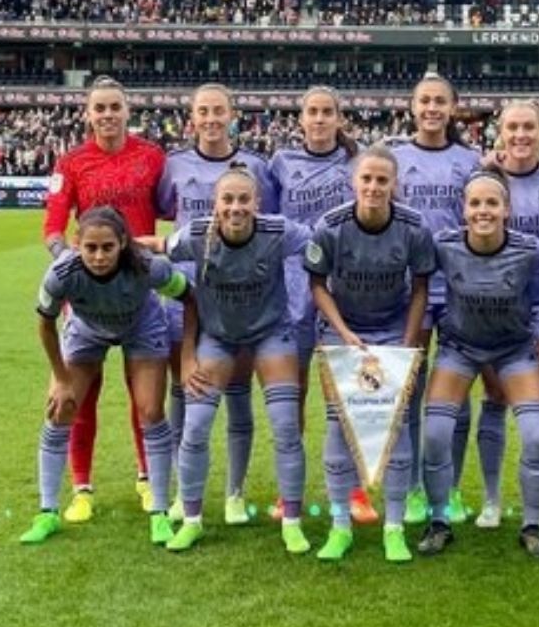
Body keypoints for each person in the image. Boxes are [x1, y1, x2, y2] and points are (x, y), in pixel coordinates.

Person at [155, 166, 313, 554]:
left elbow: (327, 244)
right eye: (228, 199)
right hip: (218, 338)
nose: (236, 207)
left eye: (244, 199)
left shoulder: (278, 232)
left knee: (285, 426)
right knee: (195, 427)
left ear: (257, 203)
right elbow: (157, 247)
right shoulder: (196, 236)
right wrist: (113, 247)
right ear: (215, 204)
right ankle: (191, 519)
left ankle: (292, 521)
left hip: (271, 334)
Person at [21, 207, 184, 546]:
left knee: (151, 412)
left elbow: (188, 295)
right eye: (90, 248)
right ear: (76, 244)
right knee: (60, 408)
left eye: (107, 247)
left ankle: (159, 513)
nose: (98, 256)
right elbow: (45, 323)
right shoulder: (61, 273)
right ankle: (47, 511)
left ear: (123, 243)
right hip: (86, 330)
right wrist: (61, 377)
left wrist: (192, 348)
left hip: (142, 326)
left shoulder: (149, 266)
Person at [41, 78, 166, 521]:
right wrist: (72, 268)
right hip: (88, 300)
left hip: (139, 295)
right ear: (87, 114)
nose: (108, 114)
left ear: (128, 111)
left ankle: (148, 479)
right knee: (80, 396)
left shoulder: (152, 157)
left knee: (145, 396)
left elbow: (177, 207)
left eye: (115, 106)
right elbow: (53, 230)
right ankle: (81, 489)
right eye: (100, 108)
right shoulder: (71, 162)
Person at [305, 145, 437, 562]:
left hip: (392, 332)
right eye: (367, 179)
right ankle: (340, 526)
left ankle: (394, 528)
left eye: (383, 180)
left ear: (395, 184)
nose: (374, 187)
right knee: (337, 424)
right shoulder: (330, 226)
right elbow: (318, 285)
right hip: (342, 330)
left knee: (394, 422)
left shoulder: (415, 227)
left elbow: (420, 288)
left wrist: (407, 342)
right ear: (353, 182)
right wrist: (342, 333)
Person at [418, 169, 539, 559]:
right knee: (434, 436)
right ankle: (439, 521)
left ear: (506, 209)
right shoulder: (443, 245)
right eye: (475, 203)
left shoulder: (530, 249)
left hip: (513, 351)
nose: (483, 210)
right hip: (458, 349)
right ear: (463, 209)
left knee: (534, 435)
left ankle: (532, 525)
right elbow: (410, 265)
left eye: (492, 203)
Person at [155, 84, 276, 526]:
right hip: (184, 296)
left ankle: (234, 493)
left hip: (240, 299)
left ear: (231, 115)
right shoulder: (174, 165)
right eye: (202, 111)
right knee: (184, 392)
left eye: (217, 111)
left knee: (239, 397)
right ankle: (180, 493)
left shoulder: (256, 169)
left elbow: (269, 227)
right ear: (192, 118)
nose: (210, 118)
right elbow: (168, 215)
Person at [268, 86, 376, 525]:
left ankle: (355, 490)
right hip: (293, 291)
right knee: (292, 396)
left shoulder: (358, 162)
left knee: (346, 396)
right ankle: (286, 491)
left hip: (345, 291)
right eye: (311, 112)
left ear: (339, 118)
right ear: (300, 119)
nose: (318, 119)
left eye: (326, 112)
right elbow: (270, 228)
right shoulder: (281, 163)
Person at [474, 99, 539, 530]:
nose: (520, 136)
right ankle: (491, 498)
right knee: (494, 398)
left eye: (528, 128)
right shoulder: (484, 177)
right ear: (500, 132)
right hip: (493, 305)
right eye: (512, 128)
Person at [387, 74, 481, 525]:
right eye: (424, 100)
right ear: (412, 105)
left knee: (456, 395)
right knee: (410, 389)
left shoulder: (471, 160)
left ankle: (452, 486)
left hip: (461, 288)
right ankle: (410, 489)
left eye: (440, 101)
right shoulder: (395, 157)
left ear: (453, 108)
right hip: (411, 289)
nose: (431, 108)